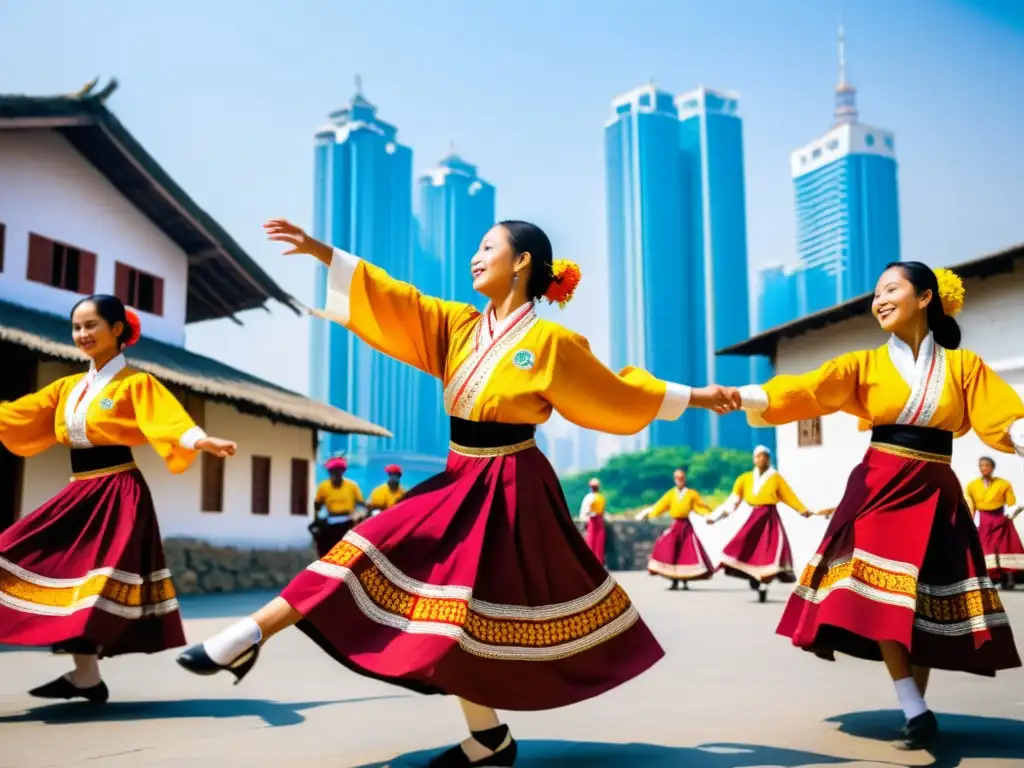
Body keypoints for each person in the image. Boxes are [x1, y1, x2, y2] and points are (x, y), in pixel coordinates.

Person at [177, 218, 737, 767]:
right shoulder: (457, 325)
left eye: (487, 246)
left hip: (511, 484)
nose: (475, 255)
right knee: (371, 556)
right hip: (458, 475)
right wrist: (327, 254)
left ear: (521, 263)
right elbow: (402, 301)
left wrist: (696, 396)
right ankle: (483, 738)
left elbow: (613, 392)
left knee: (463, 615)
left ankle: (253, 635)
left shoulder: (551, 342)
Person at [730, 262, 1023, 749]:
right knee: (884, 592)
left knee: (923, 598)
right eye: (876, 293)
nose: (879, 300)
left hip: (935, 489)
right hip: (879, 486)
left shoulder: (964, 366)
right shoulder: (863, 365)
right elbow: (809, 389)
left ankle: (917, 708)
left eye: (891, 289)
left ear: (926, 297)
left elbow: (1001, 417)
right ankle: (913, 703)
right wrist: (744, 396)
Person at [0, 295, 237, 703]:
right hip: (80, 491)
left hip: (117, 492)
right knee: (17, 555)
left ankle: (86, 676)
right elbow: (18, 415)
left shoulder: (136, 384)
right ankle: (87, 678)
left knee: (94, 585)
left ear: (117, 330)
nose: (82, 334)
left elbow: (167, 420)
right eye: (77, 327)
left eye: (92, 325)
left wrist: (200, 440)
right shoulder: (67, 388)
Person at [707, 446, 822, 603]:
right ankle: (755, 577)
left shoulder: (775, 478)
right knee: (746, 547)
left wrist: (802, 510)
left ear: (769, 459)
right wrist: (715, 517)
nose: (762, 459)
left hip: (770, 519)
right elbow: (732, 501)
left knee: (770, 551)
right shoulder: (744, 479)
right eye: (759, 456)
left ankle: (763, 584)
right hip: (753, 519)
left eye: (765, 456)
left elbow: (789, 496)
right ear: (754, 459)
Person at [639, 467, 714, 590]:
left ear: (685, 479)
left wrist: (707, 515)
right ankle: (673, 580)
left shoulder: (691, 494)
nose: (679, 480)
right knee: (670, 549)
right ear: (674, 479)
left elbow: (699, 507)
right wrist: (648, 514)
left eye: (681, 478)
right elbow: (660, 506)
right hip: (675, 525)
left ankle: (684, 580)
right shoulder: (671, 494)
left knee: (686, 552)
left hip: (686, 526)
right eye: (677, 478)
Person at [965, 456, 1024, 589]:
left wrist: (1012, 513)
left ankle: (1009, 578)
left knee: (1005, 548)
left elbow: (1011, 504)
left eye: (987, 465)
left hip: (1002, 519)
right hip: (984, 520)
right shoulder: (972, 485)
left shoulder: (1004, 484)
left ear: (992, 467)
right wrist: (969, 521)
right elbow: (970, 505)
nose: (984, 468)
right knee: (986, 548)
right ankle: (993, 578)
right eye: (981, 465)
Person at [308, 455, 365, 557]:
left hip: (348, 520)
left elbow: (361, 505)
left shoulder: (352, 486)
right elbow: (318, 506)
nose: (335, 474)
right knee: (314, 530)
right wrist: (317, 509)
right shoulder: (324, 486)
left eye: (338, 471)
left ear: (342, 472)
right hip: (330, 520)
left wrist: (358, 516)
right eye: (332, 471)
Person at [579, 478, 607, 565]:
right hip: (595, 520)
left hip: (596, 520)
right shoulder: (599, 497)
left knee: (596, 541)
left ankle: (596, 561)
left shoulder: (592, 497)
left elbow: (584, 511)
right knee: (594, 541)